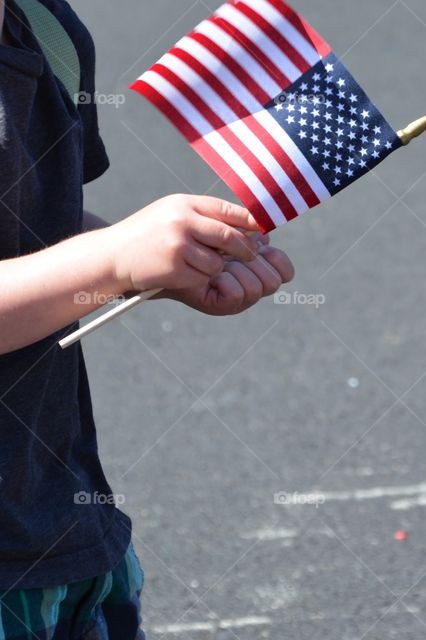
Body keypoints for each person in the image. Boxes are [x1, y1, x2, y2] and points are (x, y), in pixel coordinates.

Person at [0, 0, 295, 637]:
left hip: (64, 520)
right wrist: (112, 259)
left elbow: (34, 234)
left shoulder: (48, 30)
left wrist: (162, 259)